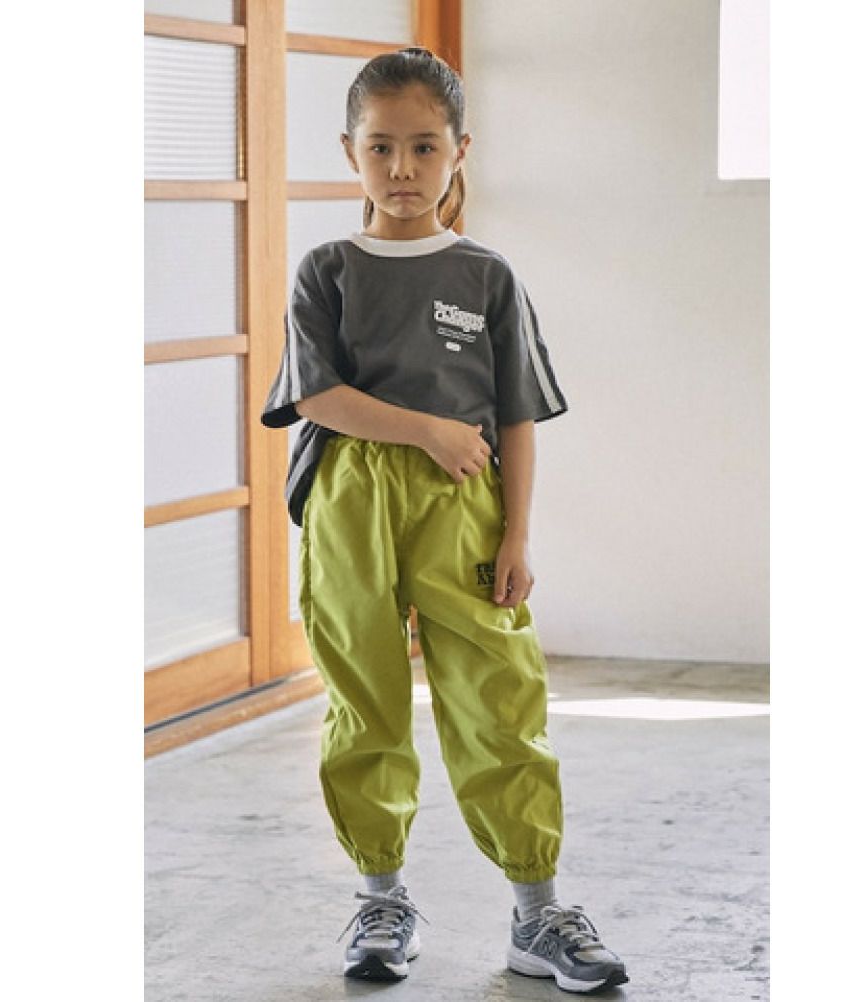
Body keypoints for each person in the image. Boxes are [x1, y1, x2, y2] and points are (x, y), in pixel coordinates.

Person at [260, 47, 629, 995]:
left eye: (425, 147)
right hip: (350, 500)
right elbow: (316, 397)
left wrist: (516, 534)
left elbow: (517, 415)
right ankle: (380, 901)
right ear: (349, 151)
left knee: (499, 700)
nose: (402, 168)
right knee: (366, 698)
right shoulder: (327, 270)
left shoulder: (485, 275)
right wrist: (426, 429)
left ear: (461, 150)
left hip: (464, 504)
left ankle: (538, 912)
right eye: (381, 147)